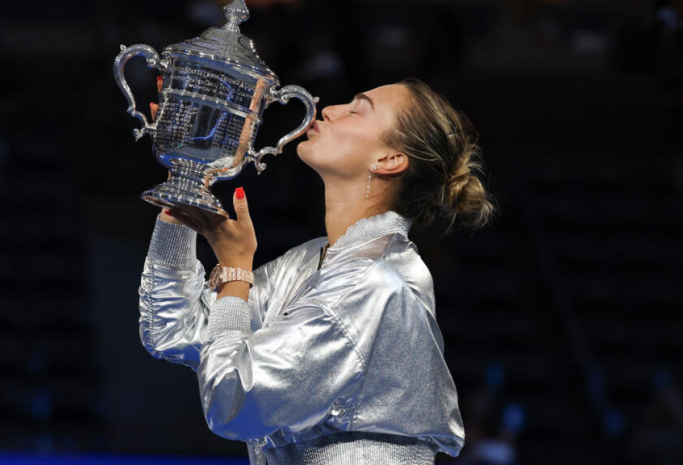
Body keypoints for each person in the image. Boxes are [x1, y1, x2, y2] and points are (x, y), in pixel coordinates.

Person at [138, 77, 496, 464]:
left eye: (357, 110)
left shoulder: (373, 282)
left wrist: (236, 271)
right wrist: (191, 175)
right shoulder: (313, 262)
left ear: (389, 160)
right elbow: (174, 330)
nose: (329, 109)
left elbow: (233, 401)